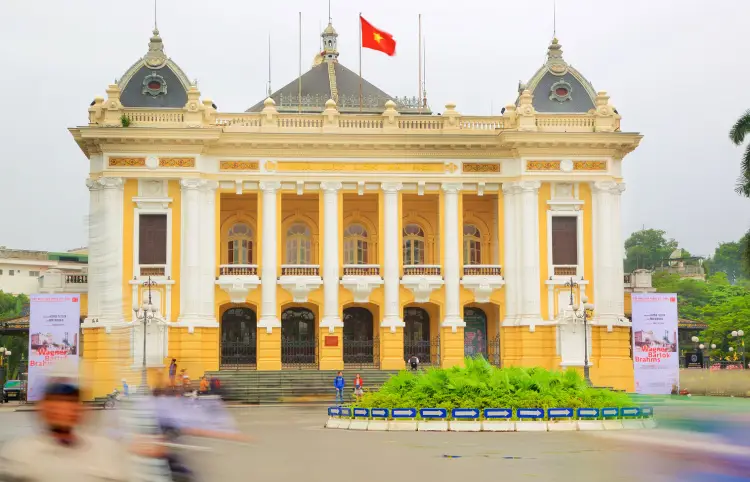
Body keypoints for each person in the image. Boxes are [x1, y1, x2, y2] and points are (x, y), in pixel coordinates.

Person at [0, 361, 133, 481]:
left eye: (70, 401)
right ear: (43, 407)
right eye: (55, 399)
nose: (62, 408)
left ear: (80, 409)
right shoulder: (20, 455)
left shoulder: (106, 453)